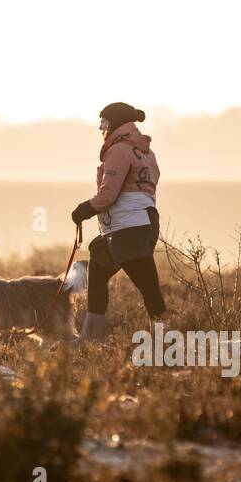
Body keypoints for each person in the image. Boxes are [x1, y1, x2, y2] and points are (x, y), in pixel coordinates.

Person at [69, 102, 166, 341]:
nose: (101, 127)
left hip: (128, 229)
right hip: (137, 224)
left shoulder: (119, 150)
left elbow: (108, 195)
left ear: (114, 124)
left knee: (148, 286)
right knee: (99, 269)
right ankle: (90, 337)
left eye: (104, 122)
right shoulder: (145, 151)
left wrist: (83, 210)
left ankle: (166, 340)